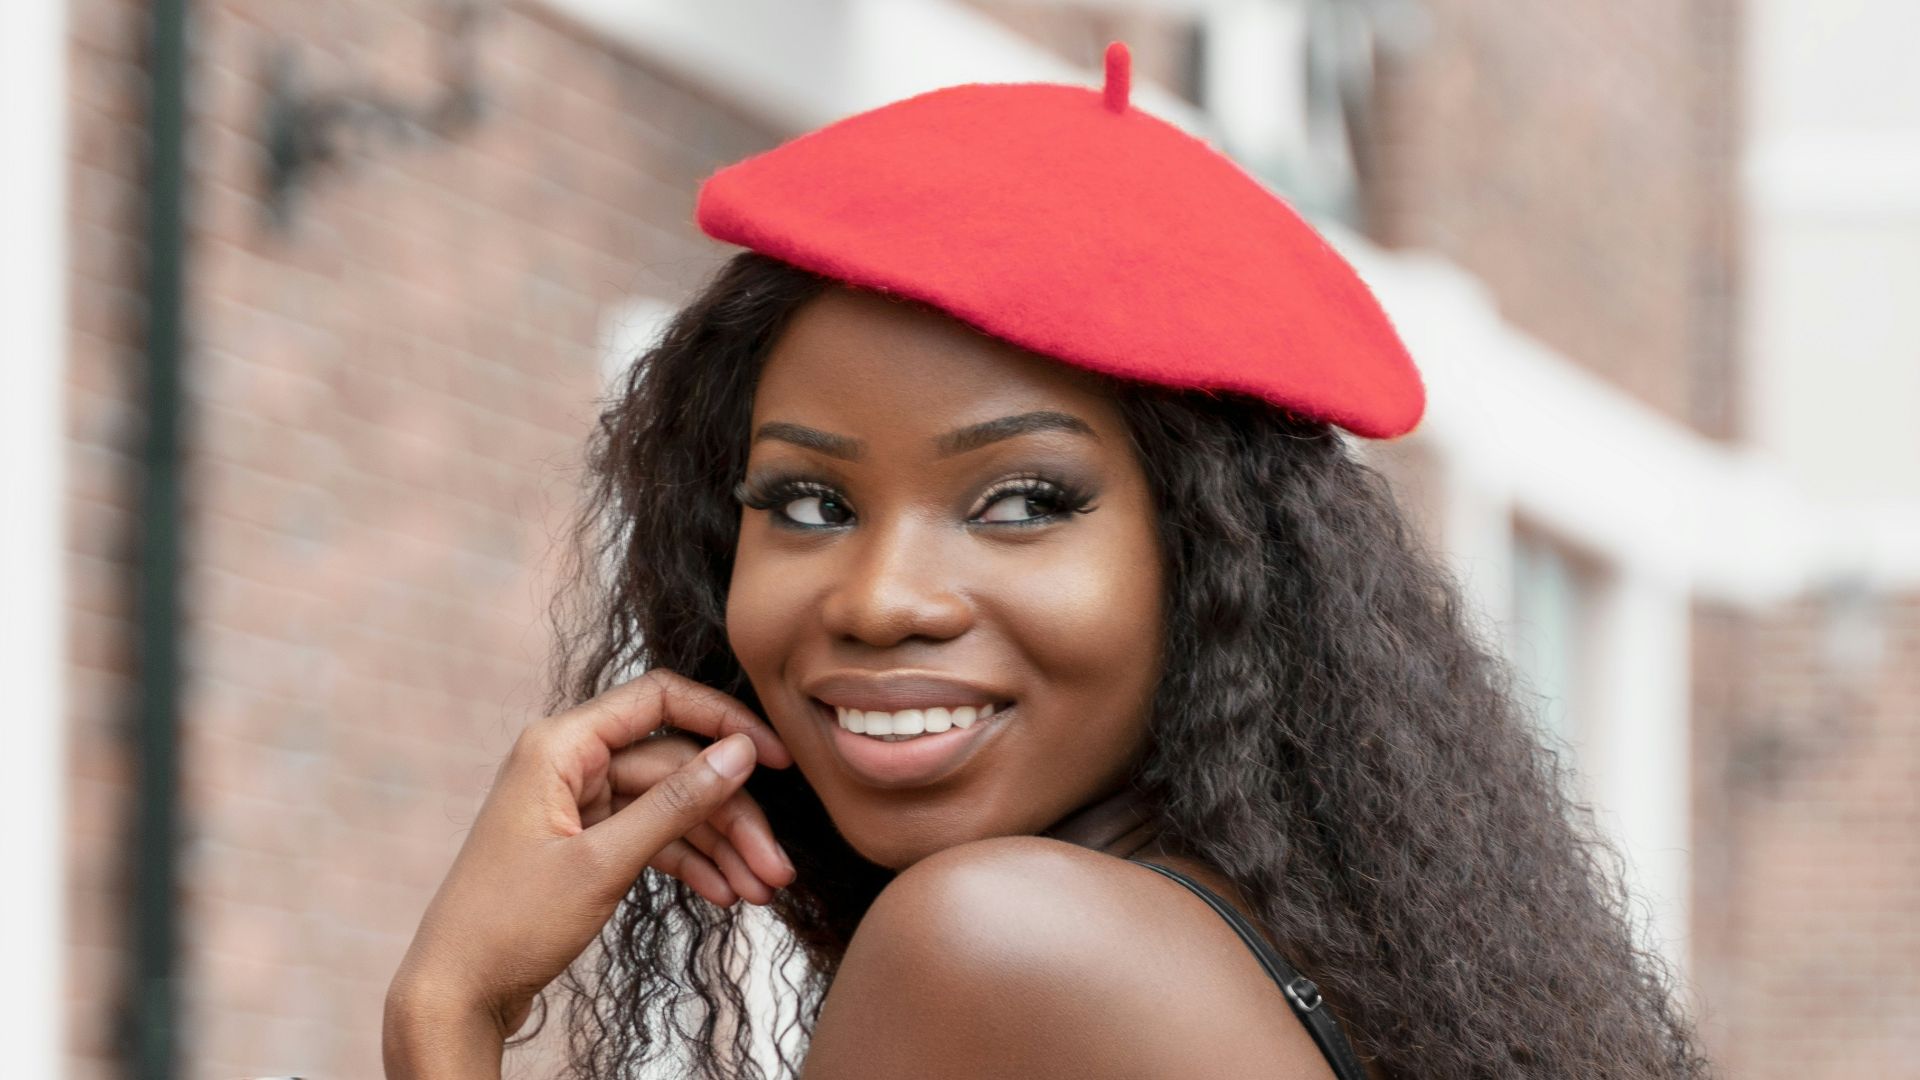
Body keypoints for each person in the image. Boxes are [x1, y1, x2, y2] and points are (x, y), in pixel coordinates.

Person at [384, 44, 1713, 1080]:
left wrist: (456, 1010)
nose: (881, 596)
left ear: (1208, 569)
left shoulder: (991, 943)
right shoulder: (1239, 951)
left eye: (1021, 503)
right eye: (803, 501)